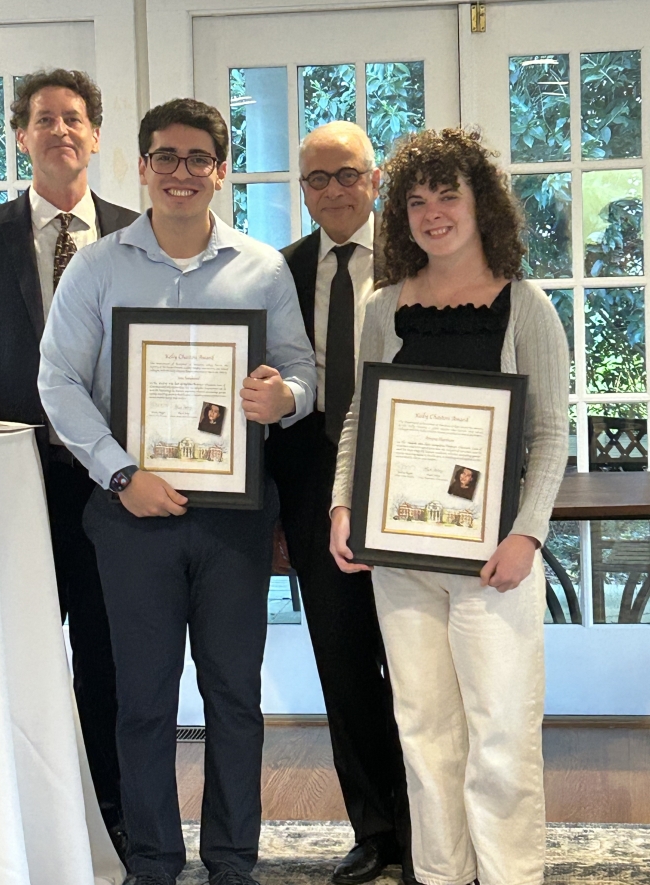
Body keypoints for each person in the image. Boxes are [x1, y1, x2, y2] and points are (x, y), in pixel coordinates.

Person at [38, 98, 316, 885]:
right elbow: (57, 381)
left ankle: (233, 860)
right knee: (143, 699)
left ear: (220, 170)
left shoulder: (261, 268)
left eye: (199, 158)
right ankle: (154, 861)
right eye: (166, 157)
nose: (182, 172)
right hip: (129, 515)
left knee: (234, 697)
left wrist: (282, 399)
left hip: (233, 518)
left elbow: (302, 371)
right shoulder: (97, 266)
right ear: (142, 166)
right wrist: (122, 472)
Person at [330, 128, 569, 885]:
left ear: (481, 204)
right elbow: (360, 421)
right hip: (401, 560)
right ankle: (438, 874)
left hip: (495, 561)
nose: (433, 213)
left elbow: (551, 434)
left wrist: (527, 534)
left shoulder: (527, 305)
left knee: (500, 733)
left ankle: (508, 875)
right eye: (417, 201)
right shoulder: (382, 307)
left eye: (448, 196)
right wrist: (344, 507)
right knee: (425, 732)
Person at [0, 68, 138, 857]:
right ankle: (21, 820)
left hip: (113, 485)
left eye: (74, 118)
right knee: (19, 651)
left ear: (96, 133)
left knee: (111, 656)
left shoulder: (133, 235)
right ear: (21, 135)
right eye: (43, 119)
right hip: (15, 486)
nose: (60, 131)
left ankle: (111, 814)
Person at [266, 121, 414, 885]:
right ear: (302, 188)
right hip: (314, 487)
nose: (332, 190)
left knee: (418, 662)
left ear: (376, 177)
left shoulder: (421, 258)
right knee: (344, 662)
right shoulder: (279, 270)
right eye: (317, 179)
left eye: (346, 174)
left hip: (409, 478)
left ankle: (430, 827)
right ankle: (374, 827)